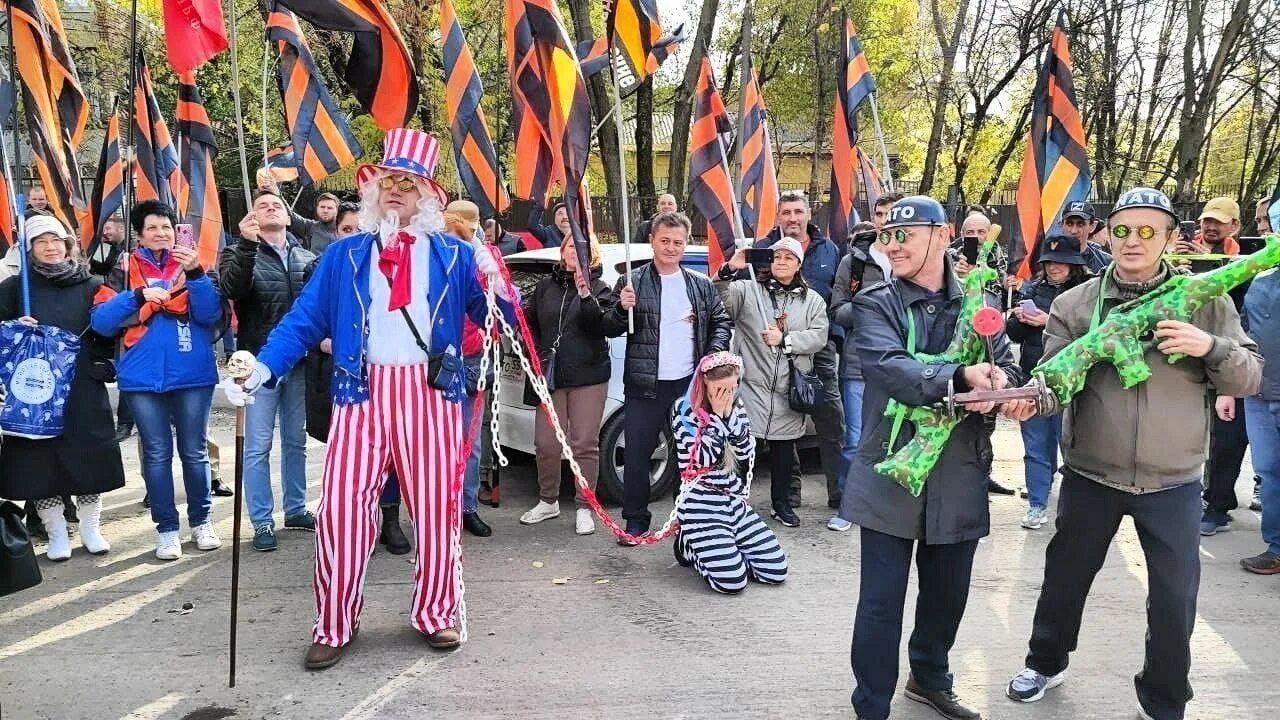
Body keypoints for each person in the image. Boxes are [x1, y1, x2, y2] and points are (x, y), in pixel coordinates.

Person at [221, 129, 511, 668]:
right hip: (362, 391)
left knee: (435, 509)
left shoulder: (452, 254)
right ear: (373, 191)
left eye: (409, 183)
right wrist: (262, 368)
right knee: (340, 513)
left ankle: (436, 613)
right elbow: (303, 321)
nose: (396, 192)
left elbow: (500, 318)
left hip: (432, 394)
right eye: (388, 182)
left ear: (427, 196)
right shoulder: (346, 254)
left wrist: (497, 281)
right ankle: (333, 623)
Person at [1005, 187, 1260, 720]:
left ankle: (1165, 698)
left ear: (1170, 238)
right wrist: (1031, 402)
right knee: (1064, 579)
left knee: (1173, 600)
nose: (1134, 241)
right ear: (1106, 234)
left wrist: (1208, 346)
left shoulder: (1205, 299)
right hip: (1091, 473)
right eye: (1122, 229)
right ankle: (1045, 662)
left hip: (1174, 481)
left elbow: (1250, 375)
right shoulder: (1074, 304)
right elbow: (1054, 379)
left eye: (1149, 230)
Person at [843, 195, 1031, 720]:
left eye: (906, 234)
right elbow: (888, 366)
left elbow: (1006, 364)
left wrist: (1005, 387)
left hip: (960, 469)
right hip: (892, 469)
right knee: (881, 602)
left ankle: (929, 678)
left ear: (943, 235)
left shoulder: (980, 299)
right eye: (887, 236)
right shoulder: (876, 302)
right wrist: (959, 377)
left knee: (947, 596)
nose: (894, 245)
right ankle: (872, 705)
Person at [90, 200, 224, 561]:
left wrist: (195, 273)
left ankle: (202, 521)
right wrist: (137, 295)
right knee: (157, 453)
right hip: (141, 375)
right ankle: (166, 529)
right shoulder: (123, 267)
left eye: (166, 227)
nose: (161, 234)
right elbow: (102, 322)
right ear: (139, 234)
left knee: (194, 452)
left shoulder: (194, 265)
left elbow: (211, 314)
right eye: (152, 228)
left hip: (192, 373)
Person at [601, 211, 732, 543]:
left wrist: (709, 358)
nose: (671, 248)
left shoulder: (700, 285)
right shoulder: (633, 281)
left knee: (688, 455)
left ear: (686, 243)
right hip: (645, 382)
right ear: (652, 241)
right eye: (665, 241)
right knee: (637, 453)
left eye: (678, 242)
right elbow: (609, 326)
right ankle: (635, 521)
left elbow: (721, 322)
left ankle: (687, 522)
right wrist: (620, 308)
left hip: (688, 384)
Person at [0, 216, 125, 560]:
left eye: (56, 240)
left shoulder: (93, 285)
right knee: (41, 462)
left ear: (69, 245)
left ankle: (90, 527)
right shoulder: (14, 288)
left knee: (88, 457)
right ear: (30, 250)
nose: (50, 247)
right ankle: (56, 531)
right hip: (33, 391)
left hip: (82, 383)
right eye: (41, 242)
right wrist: (12, 328)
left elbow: (111, 329)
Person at [219, 189, 319, 552]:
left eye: (277, 204)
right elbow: (232, 288)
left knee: (296, 441)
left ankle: (295, 508)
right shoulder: (237, 252)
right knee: (257, 445)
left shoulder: (307, 256)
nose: (270, 208)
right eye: (261, 205)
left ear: (289, 217)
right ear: (252, 219)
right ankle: (262, 520)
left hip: (299, 363)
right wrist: (246, 246)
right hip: (255, 363)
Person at [717, 239, 829, 527]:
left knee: (783, 456)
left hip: (788, 390)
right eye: (776, 256)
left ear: (799, 264)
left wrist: (786, 340)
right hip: (751, 387)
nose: (781, 262)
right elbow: (717, 298)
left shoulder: (812, 300)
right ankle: (735, 503)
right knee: (743, 449)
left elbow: (819, 336)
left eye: (788, 258)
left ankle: (781, 504)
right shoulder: (749, 290)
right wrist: (730, 269)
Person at [749, 190, 845, 513]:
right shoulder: (763, 250)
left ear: (808, 214)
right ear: (778, 216)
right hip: (772, 352)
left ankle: (839, 493)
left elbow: (839, 294)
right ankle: (789, 496)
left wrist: (835, 337)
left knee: (831, 419)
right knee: (785, 421)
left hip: (819, 348)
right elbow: (745, 294)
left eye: (798, 211)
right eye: (786, 212)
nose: (792, 218)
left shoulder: (829, 250)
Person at [520, 233, 614, 535]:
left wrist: (585, 295)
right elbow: (528, 320)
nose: (575, 252)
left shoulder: (601, 288)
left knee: (584, 443)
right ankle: (548, 500)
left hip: (588, 376)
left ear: (593, 256)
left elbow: (601, 325)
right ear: (562, 252)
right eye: (570, 246)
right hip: (551, 374)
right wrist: (533, 350)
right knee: (545, 442)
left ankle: (585, 505)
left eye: (583, 248)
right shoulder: (546, 286)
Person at [671, 351, 787, 592]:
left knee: (776, 569)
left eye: (731, 389)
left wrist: (728, 418)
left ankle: (726, 547)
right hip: (699, 501)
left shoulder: (737, 407)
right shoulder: (683, 410)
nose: (726, 395)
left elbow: (745, 452)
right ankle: (690, 545)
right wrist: (715, 418)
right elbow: (702, 459)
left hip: (731, 499)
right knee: (732, 581)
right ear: (704, 384)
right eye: (720, 390)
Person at [1004, 236, 1089, 529]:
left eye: (1061, 262)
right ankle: (1037, 503)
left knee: (1074, 447)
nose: (1054, 267)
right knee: (1036, 445)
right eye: (1049, 262)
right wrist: (1016, 318)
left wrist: (1048, 320)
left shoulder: (1087, 293)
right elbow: (1013, 335)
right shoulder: (1033, 288)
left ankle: (1079, 508)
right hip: (1034, 377)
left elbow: (1097, 335)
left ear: (1073, 264)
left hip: (1074, 380)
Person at [1192, 197, 1250, 536]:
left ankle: (1217, 504)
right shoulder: (1186, 257)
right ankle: (1206, 495)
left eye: (1219, 221)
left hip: (1228, 357)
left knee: (1227, 437)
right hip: (1192, 360)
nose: (1210, 226)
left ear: (1234, 226)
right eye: (1206, 220)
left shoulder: (1246, 262)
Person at [951, 210, 1017, 496]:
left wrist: (1010, 285)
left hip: (991, 340)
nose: (976, 238)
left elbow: (1003, 291)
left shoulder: (997, 256)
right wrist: (960, 276)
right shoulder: (952, 256)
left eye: (981, 232)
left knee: (988, 419)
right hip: (960, 347)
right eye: (970, 232)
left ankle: (984, 474)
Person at [827, 221, 885, 531]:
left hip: (905, 366)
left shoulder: (914, 258)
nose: (885, 220)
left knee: (895, 438)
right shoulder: (853, 263)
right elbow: (838, 311)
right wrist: (873, 306)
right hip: (858, 365)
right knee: (854, 439)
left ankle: (885, 507)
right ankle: (849, 506)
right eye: (881, 213)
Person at [1239, 233, 1280, 574]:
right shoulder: (1260, 280)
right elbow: (1242, 334)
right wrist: (1230, 390)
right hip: (1259, 396)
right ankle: (1276, 547)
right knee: (1268, 473)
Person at [1060, 201, 1113, 272]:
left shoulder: (1106, 263)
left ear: (1092, 227)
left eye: (1081, 224)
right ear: (1061, 226)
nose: (1074, 231)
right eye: (1069, 224)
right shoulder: (1047, 261)